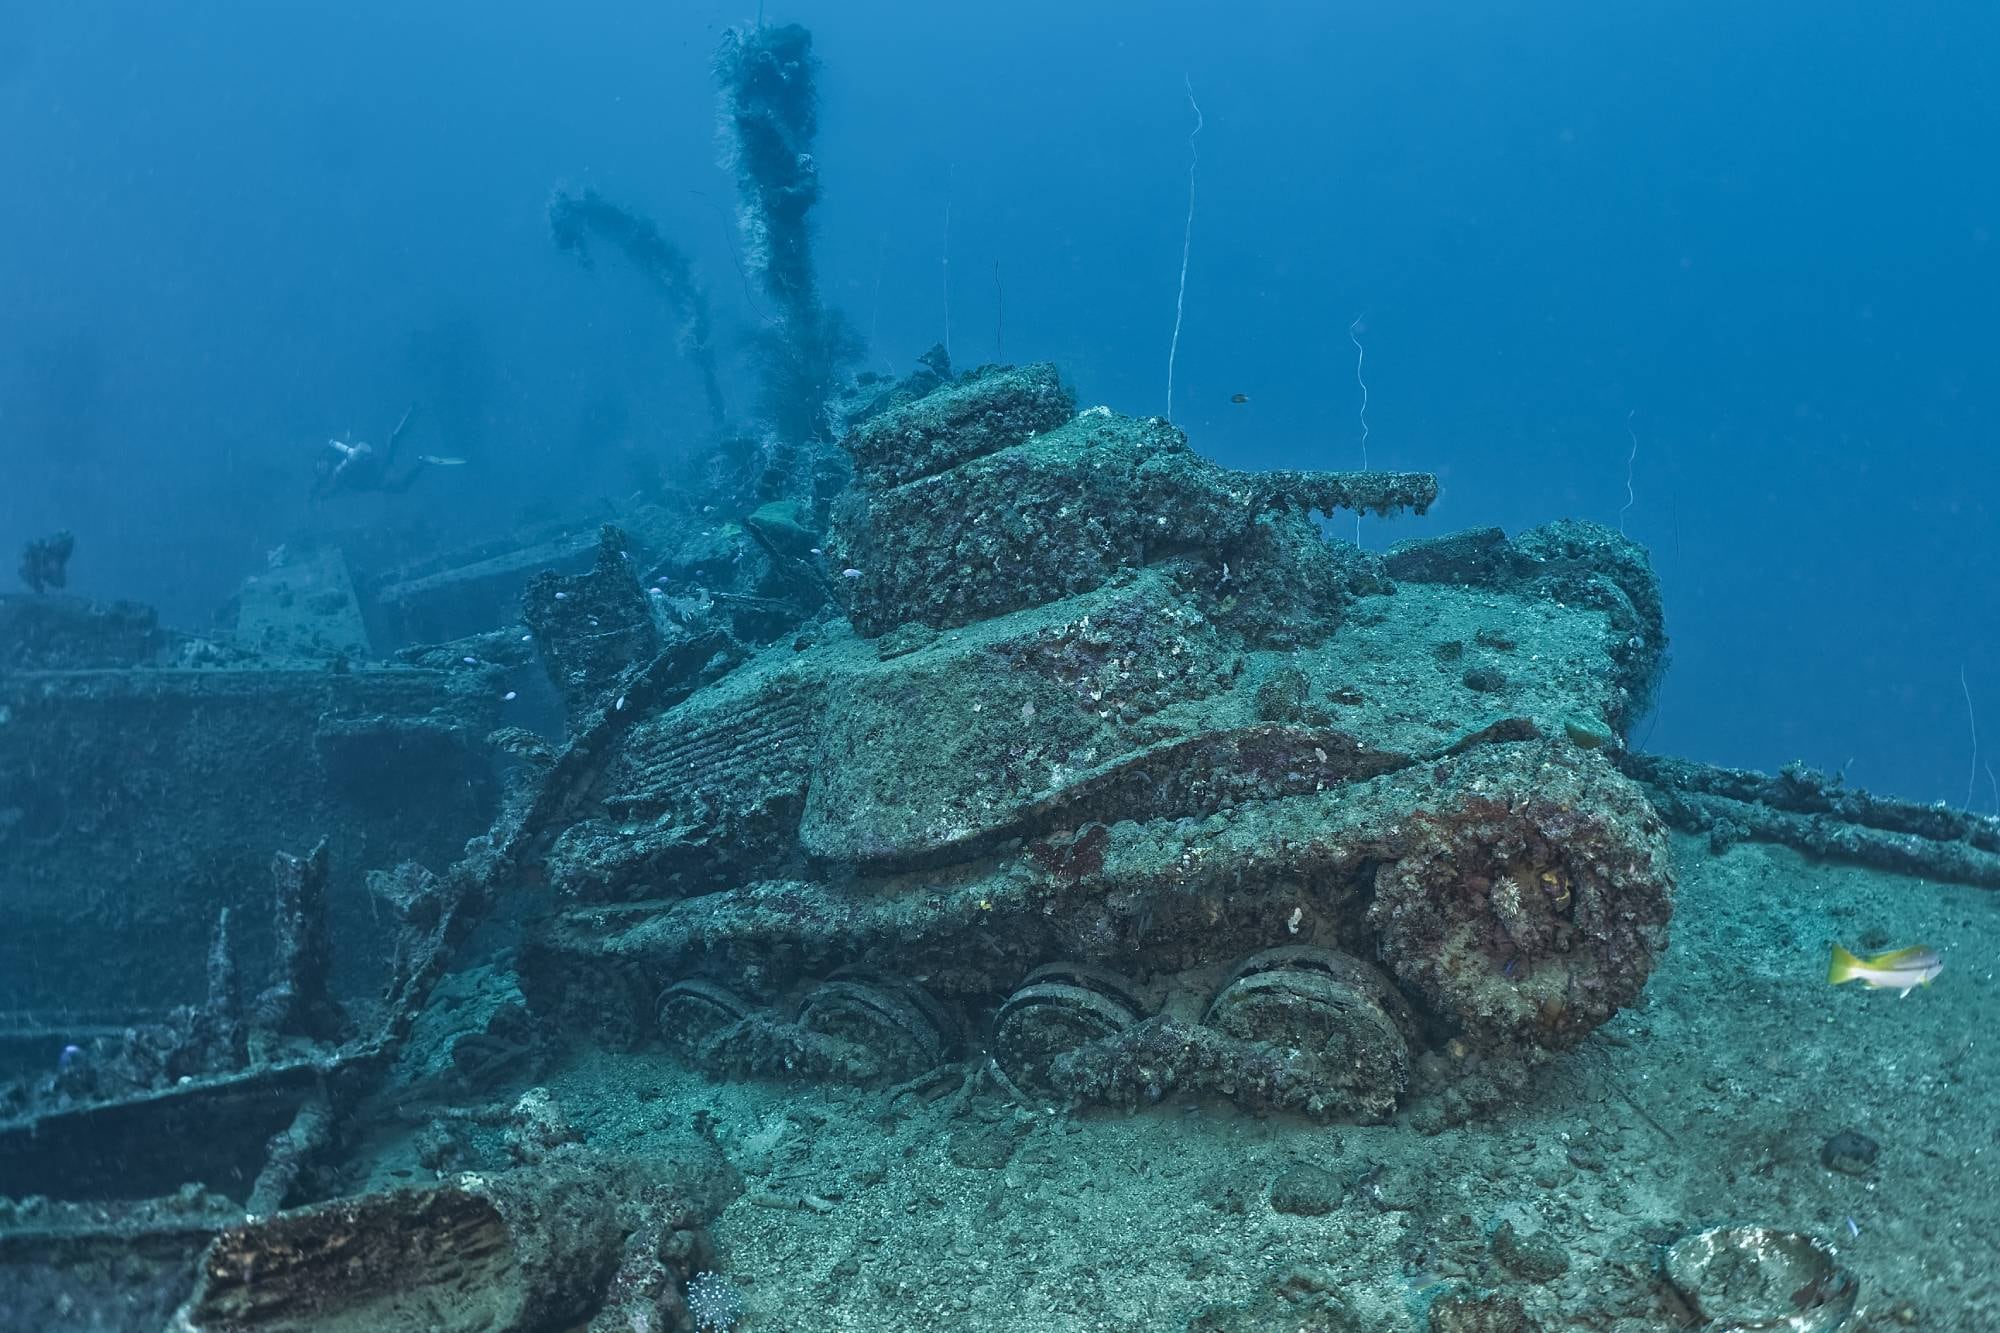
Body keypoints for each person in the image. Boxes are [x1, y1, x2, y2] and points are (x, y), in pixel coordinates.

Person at [311, 405, 462, 498]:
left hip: (375, 476)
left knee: (400, 483)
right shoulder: (336, 467)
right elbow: (335, 487)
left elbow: (336, 487)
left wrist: (322, 497)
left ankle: (422, 461)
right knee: (393, 461)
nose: (322, 468)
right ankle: (418, 456)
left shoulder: (338, 471)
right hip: (374, 472)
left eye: (321, 467)